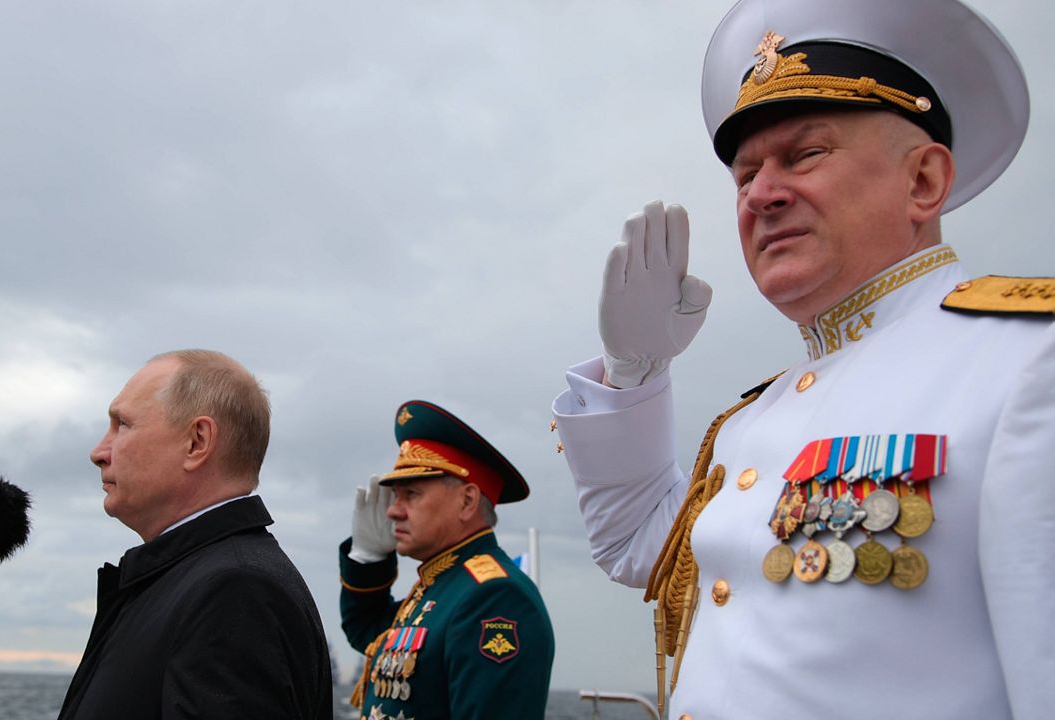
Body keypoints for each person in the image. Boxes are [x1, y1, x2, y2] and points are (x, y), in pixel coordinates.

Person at [552, 1, 1054, 719]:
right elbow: (639, 545)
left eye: (804, 154)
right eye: (745, 175)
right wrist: (633, 371)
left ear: (923, 182)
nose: (761, 193)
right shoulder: (755, 419)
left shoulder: (1029, 362)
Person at [58, 350, 333, 720]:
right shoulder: (186, 580)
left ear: (197, 442)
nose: (98, 452)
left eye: (122, 424)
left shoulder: (235, 591)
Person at [339, 400, 555, 720]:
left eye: (410, 494)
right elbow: (369, 633)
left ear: (466, 501)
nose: (392, 511)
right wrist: (369, 558)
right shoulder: (441, 589)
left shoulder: (495, 598)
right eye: (395, 496)